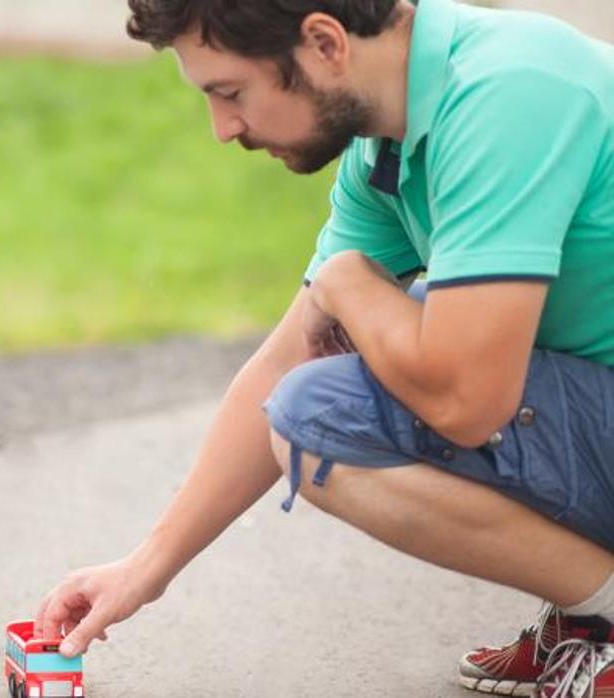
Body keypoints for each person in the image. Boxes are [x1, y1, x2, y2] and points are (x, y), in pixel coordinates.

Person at [34, 1, 614, 696]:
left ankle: (603, 612)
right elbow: (287, 360)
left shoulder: (509, 94)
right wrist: (144, 568)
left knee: (331, 409)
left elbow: (467, 402)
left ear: (324, 42)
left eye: (230, 92)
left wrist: (348, 283)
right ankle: (592, 613)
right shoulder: (387, 144)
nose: (223, 129)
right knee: (368, 360)